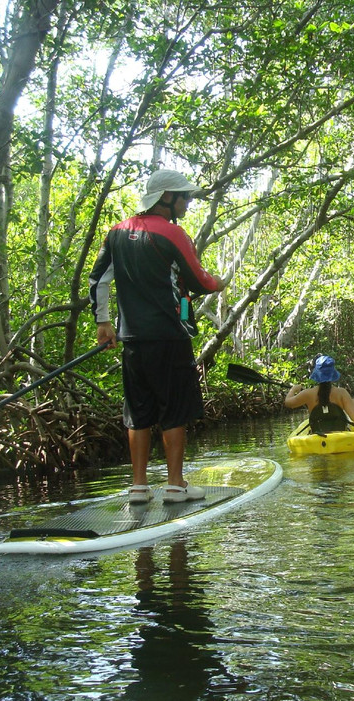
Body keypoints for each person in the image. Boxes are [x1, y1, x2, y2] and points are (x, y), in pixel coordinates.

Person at [90, 169, 226, 504]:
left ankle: (138, 487)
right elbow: (200, 281)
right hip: (170, 336)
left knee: (138, 410)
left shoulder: (116, 232)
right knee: (173, 409)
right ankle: (175, 485)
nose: (188, 202)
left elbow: (98, 279)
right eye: (185, 196)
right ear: (167, 197)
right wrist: (219, 282)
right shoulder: (173, 234)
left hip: (132, 340)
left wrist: (103, 323)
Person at [284, 355, 354, 432]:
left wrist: (293, 389)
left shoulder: (308, 394)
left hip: (318, 437)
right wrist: (353, 404)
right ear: (332, 373)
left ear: (317, 373)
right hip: (339, 437)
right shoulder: (342, 393)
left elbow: (288, 403)